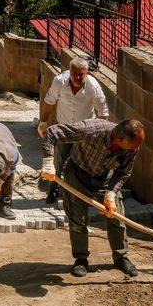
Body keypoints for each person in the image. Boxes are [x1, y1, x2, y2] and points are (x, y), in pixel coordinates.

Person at [40, 119, 145, 277]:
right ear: (121, 139)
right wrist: (48, 161)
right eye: (135, 144)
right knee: (77, 221)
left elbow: (123, 172)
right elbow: (53, 132)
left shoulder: (132, 148)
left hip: (106, 178)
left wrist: (111, 193)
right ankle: (81, 260)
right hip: (77, 175)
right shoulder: (92, 129)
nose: (137, 148)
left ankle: (121, 257)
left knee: (116, 217)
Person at [38, 57, 109, 203]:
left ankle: (82, 194)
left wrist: (101, 136)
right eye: (74, 73)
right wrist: (43, 122)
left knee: (84, 163)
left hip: (85, 131)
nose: (77, 77)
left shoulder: (93, 87)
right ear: (69, 71)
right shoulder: (59, 81)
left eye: (81, 74)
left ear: (86, 73)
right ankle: (53, 190)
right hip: (64, 128)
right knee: (58, 161)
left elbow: (103, 113)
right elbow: (49, 101)